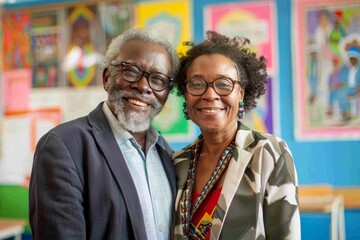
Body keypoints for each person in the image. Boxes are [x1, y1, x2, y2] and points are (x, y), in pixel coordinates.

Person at [29, 27, 179, 239]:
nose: (144, 87)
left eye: (158, 79)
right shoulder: (63, 147)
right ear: (107, 77)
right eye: (131, 71)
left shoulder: (168, 154)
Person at [172, 31, 300, 239]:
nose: (210, 94)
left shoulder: (268, 153)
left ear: (240, 94)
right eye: (196, 84)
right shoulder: (178, 162)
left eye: (223, 84)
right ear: (185, 94)